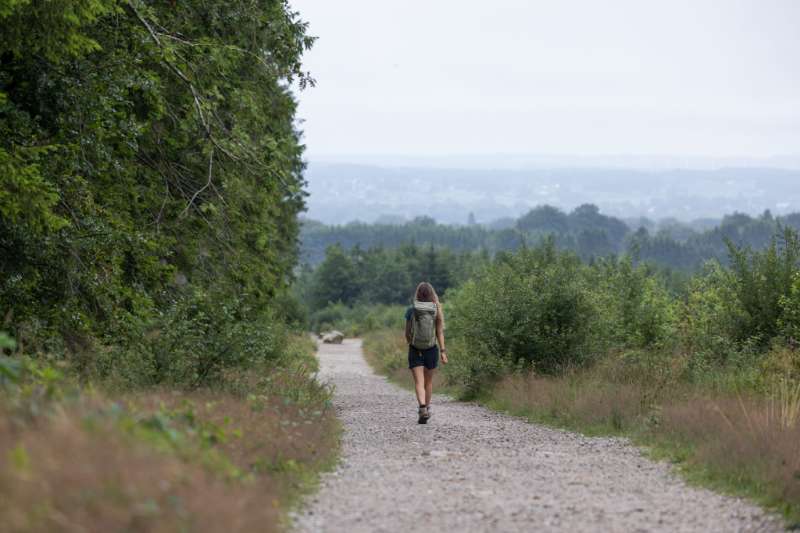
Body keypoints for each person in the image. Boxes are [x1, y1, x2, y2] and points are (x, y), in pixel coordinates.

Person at [405, 281, 448, 424]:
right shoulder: (436, 309)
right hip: (431, 349)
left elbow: (407, 333)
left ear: (417, 293)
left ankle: (422, 407)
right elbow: (439, 332)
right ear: (432, 294)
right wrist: (443, 351)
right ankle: (427, 409)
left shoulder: (412, 309)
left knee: (419, 382)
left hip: (415, 348)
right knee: (428, 382)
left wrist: (411, 343)